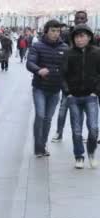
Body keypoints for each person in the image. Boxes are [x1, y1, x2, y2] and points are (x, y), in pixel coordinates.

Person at [26, 20, 68, 157]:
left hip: (55, 89)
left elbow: (68, 69)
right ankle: (38, 147)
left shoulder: (65, 48)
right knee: (40, 115)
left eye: (58, 31)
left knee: (48, 119)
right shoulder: (37, 46)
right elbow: (30, 63)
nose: (55, 34)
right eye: (53, 31)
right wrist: (38, 70)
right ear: (46, 31)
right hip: (40, 88)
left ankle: (42, 145)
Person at [53, 10, 95, 143]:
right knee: (63, 109)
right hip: (70, 78)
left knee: (88, 112)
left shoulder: (90, 34)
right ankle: (59, 132)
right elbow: (59, 46)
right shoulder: (67, 34)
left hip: (86, 80)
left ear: (86, 19)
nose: (80, 20)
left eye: (82, 18)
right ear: (75, 19)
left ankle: (88, 135)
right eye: (78, 18)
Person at [61, 24, 100, 169]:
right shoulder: (68, 53)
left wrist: (96, 91)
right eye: (77, 36)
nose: (79, 39)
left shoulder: (97, 52)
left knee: (94, 128)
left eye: (82, 36)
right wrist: (67, 93)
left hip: (91, 96)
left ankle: (91, 152)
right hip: (74, 97)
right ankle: (79, 156)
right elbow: (63, 75)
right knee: (77, 130)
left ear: (89, 37)